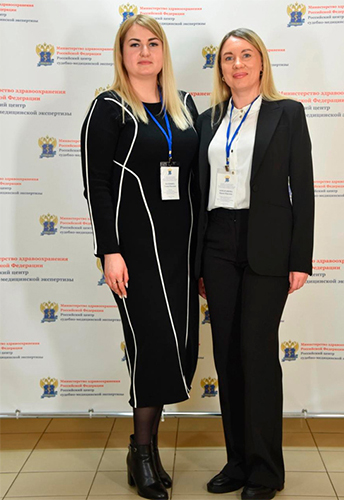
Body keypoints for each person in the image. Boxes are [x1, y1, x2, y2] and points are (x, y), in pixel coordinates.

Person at [80, 14, 199, 500]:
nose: (145, 52)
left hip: (182, 251)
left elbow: (196, 181)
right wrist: (109, 250)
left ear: (164, 51)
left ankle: (142, 450)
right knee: (151, 345)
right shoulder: (108, 109)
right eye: (134, 44)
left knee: (176, 348)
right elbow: (97, 186)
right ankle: (144, 454)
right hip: (134, 252)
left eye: (153, 43)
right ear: (121, 53)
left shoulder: (185, 106)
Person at [194, 28, 314, 500]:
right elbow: (198, 192)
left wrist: (300, 258)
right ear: (221, 69)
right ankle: (237, 462)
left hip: (268, 245)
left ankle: (266, 470)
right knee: (227, 355)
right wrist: (197, 262)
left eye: (246, 55)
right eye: (228, 57)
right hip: (218, 244)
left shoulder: (288, 113)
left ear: (261, 63)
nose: (238, 64)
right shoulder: (207, 120)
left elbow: (302, 187)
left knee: (258, 355)